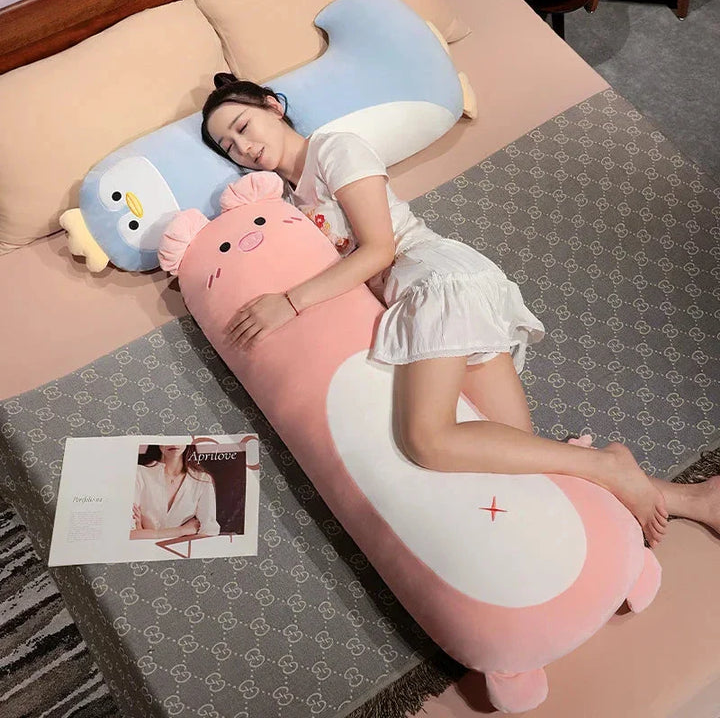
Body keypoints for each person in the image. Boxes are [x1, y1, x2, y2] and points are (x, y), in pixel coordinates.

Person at [201, 75, 719, 547]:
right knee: (521, 461)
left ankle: (608, 465)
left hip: (434, 282)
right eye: (229, 146)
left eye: (243, 126)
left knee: (428, 441)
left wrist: (289, 303)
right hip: (418, 307)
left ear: (273, 106)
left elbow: (379, 249)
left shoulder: (334, 149)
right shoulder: (289, 203)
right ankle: (698, 499)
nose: (243, 148)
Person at [130, 444, 221, 540]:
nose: (173, 444)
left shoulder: (202, 480)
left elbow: (209, 532)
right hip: (141, 549)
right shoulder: (138, 474)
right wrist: (182, 531)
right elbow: (128, 533)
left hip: (183, 550)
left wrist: (142, 532)